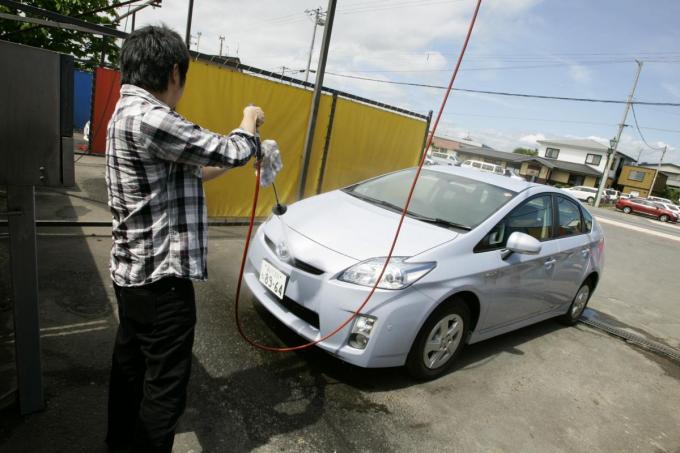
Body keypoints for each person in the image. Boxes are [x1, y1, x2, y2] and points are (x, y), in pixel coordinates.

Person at [104, 25, 264, 453]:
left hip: (132, 277)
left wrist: (231, 157)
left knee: (131, 374)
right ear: (174, 72)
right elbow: (230, 149)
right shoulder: (152, 116)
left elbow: (195, 168)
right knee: (164, 392)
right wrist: (249, 121)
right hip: (161, 284)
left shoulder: (125, 112)